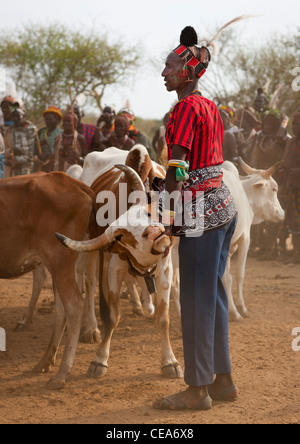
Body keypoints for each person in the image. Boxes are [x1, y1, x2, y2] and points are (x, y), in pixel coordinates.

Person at [153, 24, 238, 411]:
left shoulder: (185, 109)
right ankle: (223, 382)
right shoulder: (211, 106)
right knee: (214, 296)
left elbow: (178, 170)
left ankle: (197, 390)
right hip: (224, 207)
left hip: (201, 212)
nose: (164, 72)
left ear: (186, 72)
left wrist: (167, 216)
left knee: (195, 299)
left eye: (169, 66)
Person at [281, 111, 300, 264]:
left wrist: (295, 171)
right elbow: (286, 161)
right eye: (293, 123)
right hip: (292, 186)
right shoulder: (291, 142)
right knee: (293, 220)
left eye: (297, 124)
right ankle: (296, 252)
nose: (294, 127)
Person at [3, 108, 37, 177]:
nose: (16, 118)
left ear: (23, 116)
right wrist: (11, 150)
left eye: (18, 116)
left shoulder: (31, 129)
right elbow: (3, 149)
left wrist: (17, 161)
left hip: (27, 166)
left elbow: (32, 150)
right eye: (13, 116)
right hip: (12, 166)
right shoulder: (8, 131)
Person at [34, 106, 63, 172]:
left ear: (57, 120)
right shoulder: (40, 132)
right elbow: (34, 150)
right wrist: (39, 144)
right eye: (46, 119)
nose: (47, 121)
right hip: (41, 166)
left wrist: (48, 155)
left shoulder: (61, 133)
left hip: (55, 167)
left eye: (50, 119)